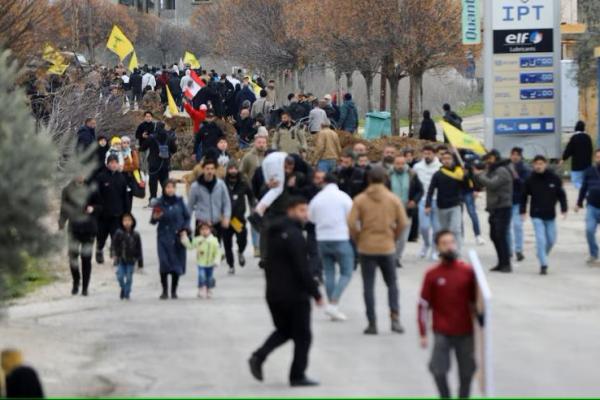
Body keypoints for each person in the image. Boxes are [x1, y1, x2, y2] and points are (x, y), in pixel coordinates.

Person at [248, 196, 324, 387]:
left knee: (286, 330)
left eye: (306, 210)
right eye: (301, 210)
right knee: (303, 335)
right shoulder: (294, 235)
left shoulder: (274, 231)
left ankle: (258, 357)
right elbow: (302, 267)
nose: (305, 214)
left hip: (273, 293)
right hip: (294, 294)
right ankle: (297, 376)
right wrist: (316, 293)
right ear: (290, 210)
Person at [348, 166, 408, 334]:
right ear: (385, 179)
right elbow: (403, 222)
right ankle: (395, 318)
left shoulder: (360, 199)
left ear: (368, 179)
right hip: (387, 246)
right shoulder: (393, 199)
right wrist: (393, 237)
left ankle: (372, 323)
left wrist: (358, 238)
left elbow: (351, 223)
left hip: (366, 246)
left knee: (368, 286)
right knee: (391, 284)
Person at [418, 230, 477, 399]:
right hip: (442, 331)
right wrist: (423, 332)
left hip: (465, 331)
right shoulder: (432, 275)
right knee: (438, 370)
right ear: (438, 248)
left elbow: (478, 301)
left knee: (467, 372)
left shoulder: (468, 272)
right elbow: (423, 305)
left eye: (451, 242)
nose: (449, 246)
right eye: (444, 243)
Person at [308, 174, 354, 321]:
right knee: (346, 272)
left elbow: (311, 217)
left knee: (329, 272)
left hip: (322, 238)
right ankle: (333, 304)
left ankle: (332, 306)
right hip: (340, 237)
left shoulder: (317, 198)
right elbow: (351, 216)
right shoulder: (343, 197)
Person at [521, 155, 567, 275]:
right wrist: (523, 210)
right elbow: (524, 196)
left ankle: (541, 254)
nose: (538, 166)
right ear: (533, 165)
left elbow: (561, 194)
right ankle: (543, 264)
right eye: (536, 164)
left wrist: (564, 208)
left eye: (541, 163)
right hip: (536, 214)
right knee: (540, 240)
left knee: (551, 240)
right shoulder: (530, 180)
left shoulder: (554, 178)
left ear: (545, 164)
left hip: (550, 215)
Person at [473, 149, 514, 272]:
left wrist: (480, 174)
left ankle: (506, 263)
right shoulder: (493, 170)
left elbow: (492, 184)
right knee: (494, 236)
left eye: (489, 159)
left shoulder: (502, 170)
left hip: (502, 207)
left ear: (495, 158)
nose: (486, 161)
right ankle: (501, 262)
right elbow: (482, 185)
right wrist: (476, 175)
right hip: (494, 207)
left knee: (500, 235)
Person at [59, 176, 101, 296]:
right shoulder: (67, 189)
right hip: (74, 228)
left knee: (86, 258)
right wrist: (61, 222)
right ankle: (76, 281)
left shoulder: (92, 188)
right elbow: (64, 208)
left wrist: (93, 208)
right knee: (73, 257)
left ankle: (85, 287)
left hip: (89, 227)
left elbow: (100, 206)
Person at [151, 179, 190, 299]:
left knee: (176, 264)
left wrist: (185, 228)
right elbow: (153, 221)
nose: (170, 189)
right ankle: (164, 290)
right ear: (164, 189)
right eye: (167, 187)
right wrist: (155, 217)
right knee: (164, 263)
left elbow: (187, 217)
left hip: (177, 236)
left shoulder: (180, 202)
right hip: (163, 236)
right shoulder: (159, 202)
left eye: (172, 187)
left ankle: (174, 290)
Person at [425, 151, 467, 251]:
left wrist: (467, 176)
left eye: (449, 158)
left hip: (455, 205)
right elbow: (430, 190)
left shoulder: (459, 173)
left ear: (453, 160)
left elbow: (467, 186)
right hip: (441, 206)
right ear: (441, 160)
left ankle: (457, 253)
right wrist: (428, 204)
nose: (447, 161)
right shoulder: (438, 174)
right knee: (444, 231)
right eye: (444, 159)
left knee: (455, 229)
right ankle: (444, 251)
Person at [389, 155, 423, 268]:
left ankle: (397, 257)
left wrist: (414, 201)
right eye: (397, 163)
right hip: (390, 211)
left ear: (405, 164)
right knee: (392, 236)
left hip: (406, 210)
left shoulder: (412, 175)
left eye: (402, 163)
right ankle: (390, 257)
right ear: (394, 164)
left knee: (403, 238)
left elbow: (420, 190)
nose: (400, 166)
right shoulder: (387, 175)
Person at [95, 155, 129, 266]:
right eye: (111, 162)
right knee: (101, 236)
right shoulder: (101, 177)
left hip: (117, 214)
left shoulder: (122, 178)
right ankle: (99, 250)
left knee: (116, 237)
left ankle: (116, 256)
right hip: (103, 215)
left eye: (116, 162)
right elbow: (96, 195)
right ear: (107, 164)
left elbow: (125, 197)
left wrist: (126, 213)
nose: (114, 164)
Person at [188, 159, 232, 242]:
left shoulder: (221, 185)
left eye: (212, 169)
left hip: (216, 222)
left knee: (216, 250)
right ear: (203, 169)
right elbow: (190, 206)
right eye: (207, 169)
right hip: (201, 223)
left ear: (215, 170)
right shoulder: (195, 187)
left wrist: (226, 217)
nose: (210, 171)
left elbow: (226, 202)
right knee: (202, 251)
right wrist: (187, 224)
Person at [223, 160, 254, 274]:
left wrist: (254, 207)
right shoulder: (222, 183)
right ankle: (231, 265)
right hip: (226, 218)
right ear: (227, 170)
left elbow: (251, 196)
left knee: (242, 239)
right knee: (227, 244)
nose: (233, 171)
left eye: (235, 168)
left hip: (238, 219)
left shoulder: (243, 182)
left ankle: (240, 251)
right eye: (230, 169)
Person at [413, 145, 442, 260]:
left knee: (436, 228)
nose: (427, 156)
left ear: (434, 154)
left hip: (437, 200)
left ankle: (435, 250)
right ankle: (426, 244)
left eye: (429, 153)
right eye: (425, 153)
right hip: (423, 200)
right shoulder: (417, 167)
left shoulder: (440, 167)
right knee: (424, 227)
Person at [181, 222, 222, 298]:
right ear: (199, 231)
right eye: (202, 229)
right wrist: (184, 239)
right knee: (201, 276)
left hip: (211, 263)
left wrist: (216, 261)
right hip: (201, 263)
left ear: (210, 230)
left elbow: (218, 252)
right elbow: (190, 246)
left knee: (209, 277)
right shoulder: (197, 240)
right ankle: (201, 288)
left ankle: (209, 289)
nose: (204, 231)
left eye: (206, 229)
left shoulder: (214, 240)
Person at [140, 122, 177, 202]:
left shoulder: (151, 137)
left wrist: (144, 138)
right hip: (165, 164)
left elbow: (142, 148)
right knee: (165, 182)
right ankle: (166, 199)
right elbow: (174, 150)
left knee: (153, 183)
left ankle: (153, 199)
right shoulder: (169, 137)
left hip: (153, 164)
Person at [576, 149, 600, 264]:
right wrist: (579, 203)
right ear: (595, 158)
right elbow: (583, 188)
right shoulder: (589, 171)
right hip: (592, 206)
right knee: (589, 230)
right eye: (598, 157)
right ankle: (594, 254)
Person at [111, 213, 143, 300]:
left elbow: (139, 249)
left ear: (133, 222)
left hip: (131, 260)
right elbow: (113, 245)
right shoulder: (118, 233)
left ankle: (127, 292)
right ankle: (123, 288)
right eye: (125, 220)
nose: (127, 223)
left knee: (129, 277)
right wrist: (114, 255)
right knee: (120, 277)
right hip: (121, 260)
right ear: (121, 222)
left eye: (129, 220)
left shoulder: (136, 235)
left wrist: (140, 263)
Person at [508, 147, 530, 262]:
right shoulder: (506, 167)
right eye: (513, 154)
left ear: (521, 156)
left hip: (518, 201)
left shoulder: (525, 169)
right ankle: (509, 250)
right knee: (507, 227)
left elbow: (526, 186)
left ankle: (519, 250)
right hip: (506, 201)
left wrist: (516, 177)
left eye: (517, 154)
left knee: (517, 226)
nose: (515, 156)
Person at [561, 120, 593, 190]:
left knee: (576, 181)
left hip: (576, 165)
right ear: (584, 128)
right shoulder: (588, 138)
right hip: (587, 165)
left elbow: (569, 150)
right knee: (586, 182)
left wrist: (563, 159)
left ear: (576, 128)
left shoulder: (574, 138)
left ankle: (582, 192)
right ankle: (585, 193)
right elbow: (591, 151)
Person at [121, 135, 141, 212]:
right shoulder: (118, 152)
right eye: (124, 143)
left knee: (129, 197)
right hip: (121, 177)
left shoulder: (133, 152)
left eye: (127, 143)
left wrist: (123, 168)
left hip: (130, 177)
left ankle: (128, 213)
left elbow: (136, 165)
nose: (125, 144)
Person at [135, 111, 156, 176]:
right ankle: (142, 172)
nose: (148, 118)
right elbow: (136, 135)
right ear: (144, 117)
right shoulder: (141, 125)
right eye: (147, 116)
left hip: (151, 146)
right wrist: (142, 135)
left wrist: (150, 136)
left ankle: (147, 173)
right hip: (142, 146)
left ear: (152, 117)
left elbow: (157, 135)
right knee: (142, 160)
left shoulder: (154, 126)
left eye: (149, 116)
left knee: (148, 160)